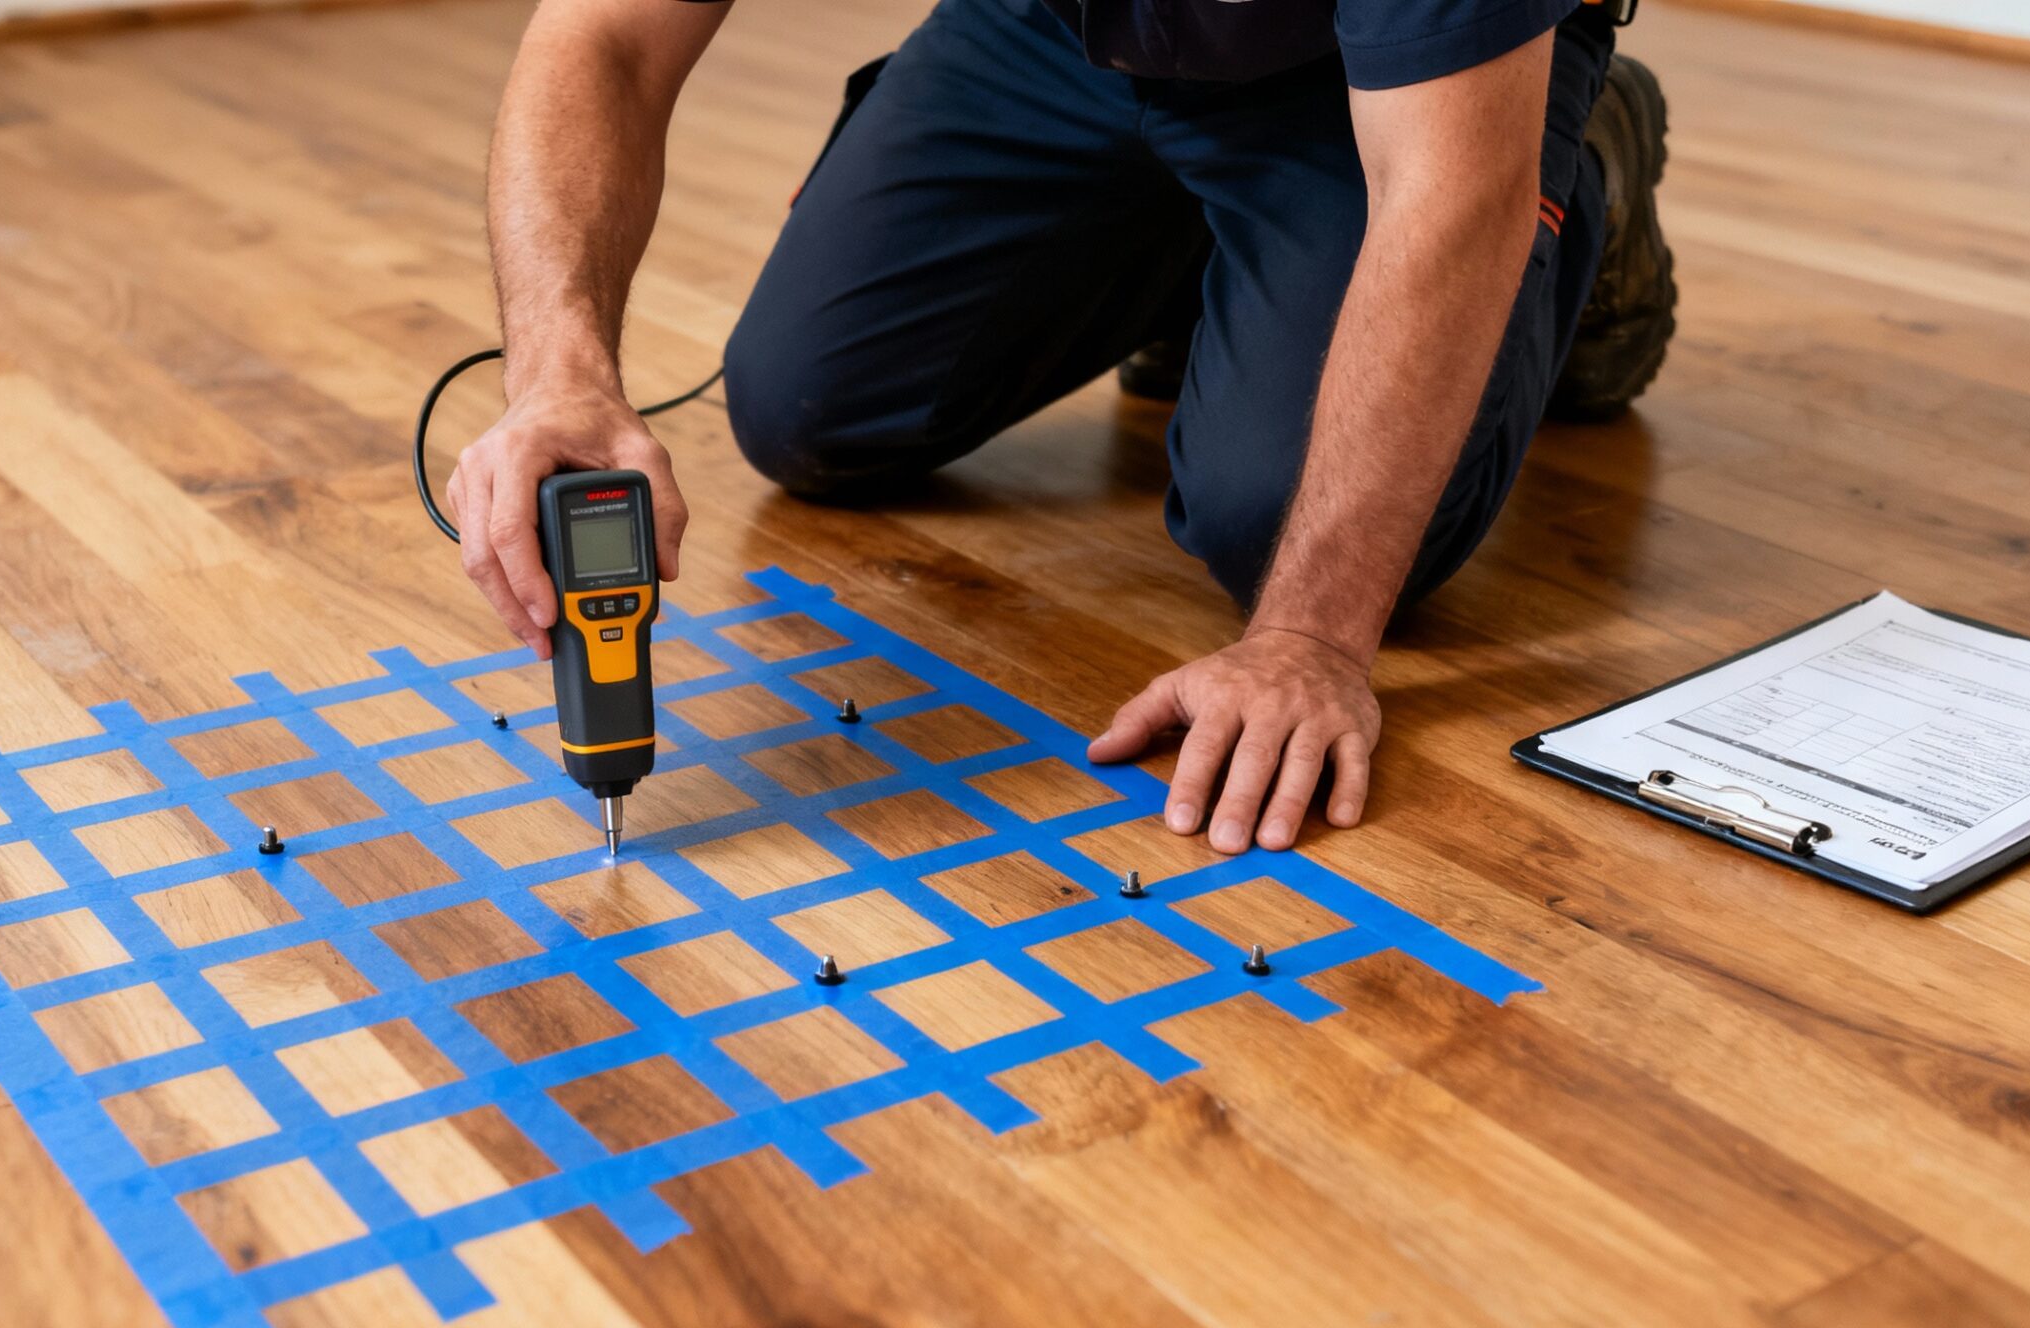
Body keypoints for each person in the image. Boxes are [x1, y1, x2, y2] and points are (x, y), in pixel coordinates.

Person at [447, 0, 1676, 854]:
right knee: (812, 406)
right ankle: (1213, 251)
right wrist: (558, 370)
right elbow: (604, 37)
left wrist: (1308, 633)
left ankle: (1584, 155)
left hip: (1392, 74)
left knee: (1276, 528)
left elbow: (1446, 196)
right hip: (1067, 29)